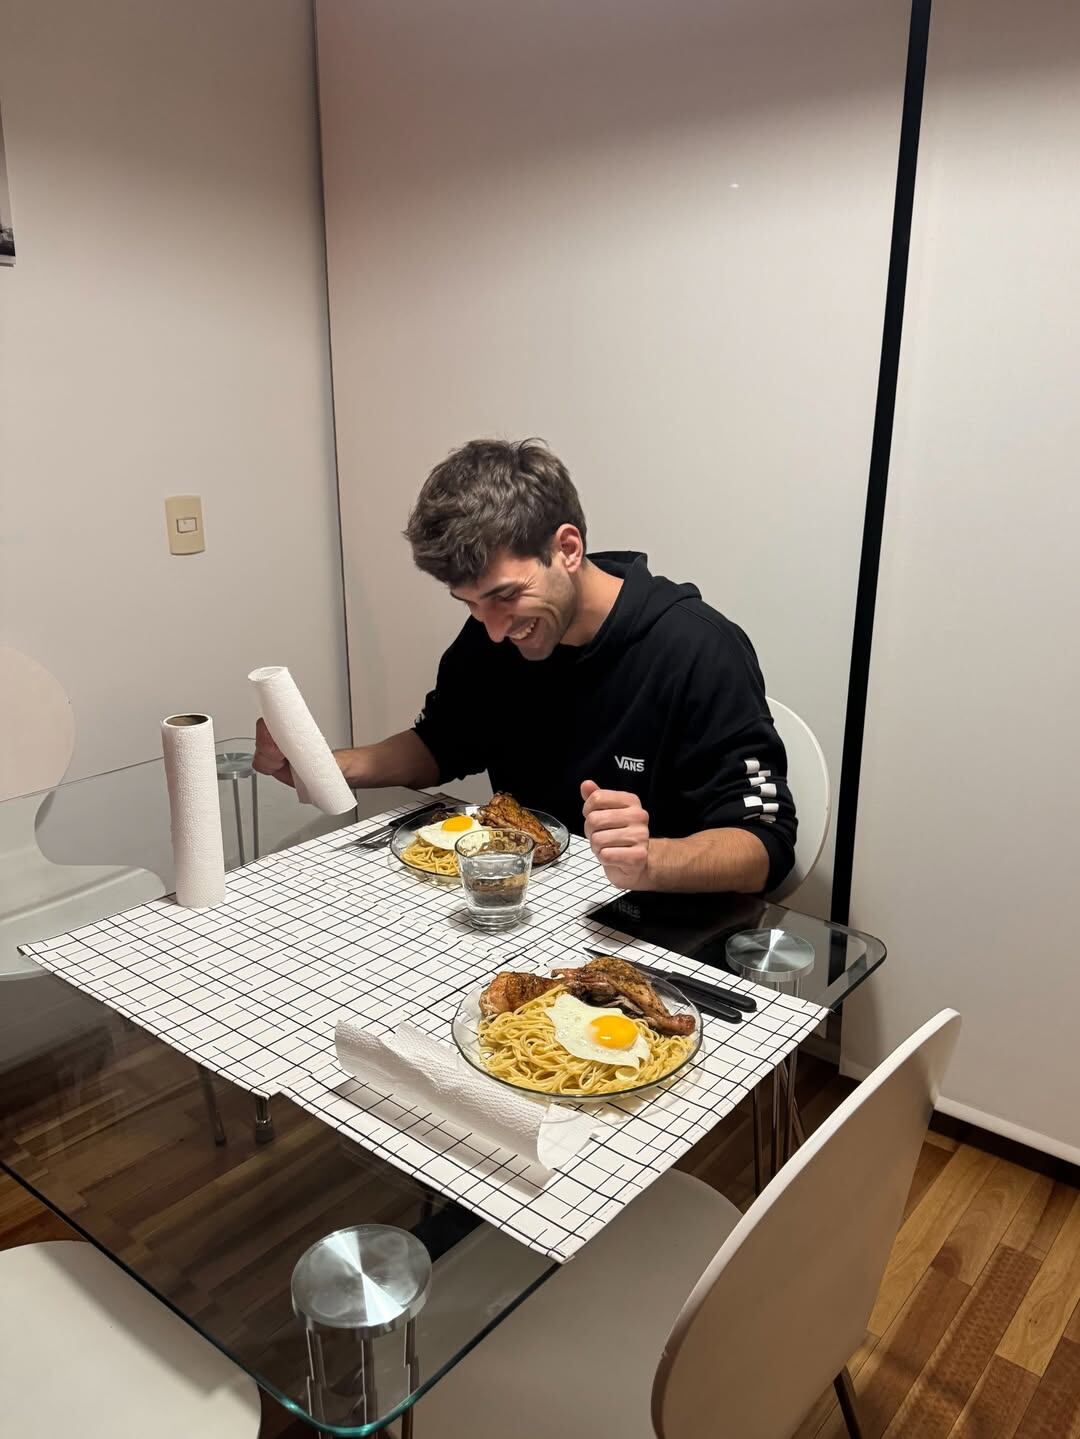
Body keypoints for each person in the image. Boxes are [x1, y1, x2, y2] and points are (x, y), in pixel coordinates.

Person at [254, 439, 797, 894]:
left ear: (567, 548)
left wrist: (650, 860)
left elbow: (765, 846)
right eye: (470, 604)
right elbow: (443, 743)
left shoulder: (697, 649)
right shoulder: (492, 638)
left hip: (659, 921)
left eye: (505, 595)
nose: (493, 629)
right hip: (521, 901)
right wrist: (323, 766)